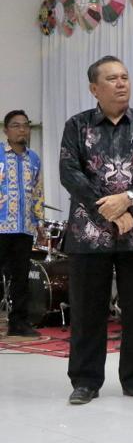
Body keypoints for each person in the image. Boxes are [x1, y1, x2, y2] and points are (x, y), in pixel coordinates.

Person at [59, 56, 133, 405]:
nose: (121, 83)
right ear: (94, 88)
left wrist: (129, 201)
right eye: (112, 79)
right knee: (87, 311)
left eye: (125, 77)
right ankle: (85, 381)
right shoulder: (77, 126)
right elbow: (69, 173)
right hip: (89, 235)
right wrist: (106, 210)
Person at [1, 110, 44, 339]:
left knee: (21, 277)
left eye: (25, 125)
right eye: (16, 125)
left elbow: (37, 192)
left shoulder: (34, 159)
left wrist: (39, 222)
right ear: (6, 130)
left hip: (24, 227)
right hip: (1, 226)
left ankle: (18, 322)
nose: (22, 130)